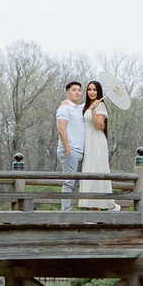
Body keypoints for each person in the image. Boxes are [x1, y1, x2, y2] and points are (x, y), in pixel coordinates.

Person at [79, 78, 120, 209]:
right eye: (89, 89)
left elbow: (98, 126)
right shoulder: (85, 106)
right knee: (88, 172)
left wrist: (93, 110)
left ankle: (110, 206)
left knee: (96, 171)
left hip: (96, 142)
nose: (91, 92)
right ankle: (93, 208)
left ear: (99, 92)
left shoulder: (100, 106)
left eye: (94, 89)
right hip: (87, 141)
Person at [54, 81, 86, 205]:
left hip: (80, 151)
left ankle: (69, 211)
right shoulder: (64, 108)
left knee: (76, 183)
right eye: (74, 90)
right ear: (67, 93)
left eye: (79, 90)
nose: (77, 92)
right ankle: (65, 214)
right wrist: (68, 149)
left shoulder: (80, 108)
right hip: (70, 150)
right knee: (68, 182)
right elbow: (61, 129)